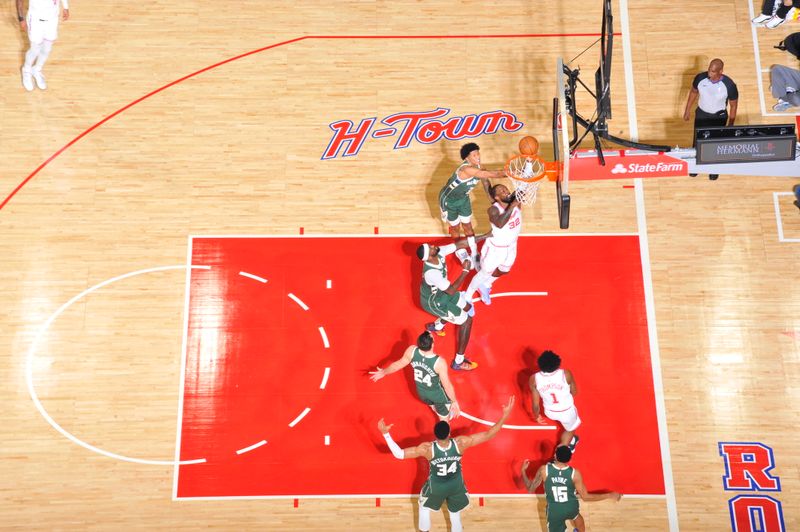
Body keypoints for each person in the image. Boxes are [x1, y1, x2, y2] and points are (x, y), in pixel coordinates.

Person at [378, 396, 515, 532]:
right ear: (449, 433)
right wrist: (504, 416)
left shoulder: (427, 449)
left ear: (435, 435)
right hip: (456, 485)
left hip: (437, 487)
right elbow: (489, 435)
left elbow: (399, 454)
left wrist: (386, 434)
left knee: (424, 508)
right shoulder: (461, 443)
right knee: (455, 515)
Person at [416, 234, 491, 371]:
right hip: (435, 302)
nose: (434, 246)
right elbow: (450, 291)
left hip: (443, 292)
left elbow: (459, 245)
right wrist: (465, 271)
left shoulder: (438, 252)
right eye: (431, 248)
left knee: (467, 307)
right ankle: (458, 361)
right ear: (428, 257)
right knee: (466, 321)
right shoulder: (431, 273)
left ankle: (437, 326)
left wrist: (486, 235)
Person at [521, 445, 622, 532]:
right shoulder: (574, 474)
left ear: (555, 456)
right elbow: (586, 497)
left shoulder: (544, 470)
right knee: (577, 518)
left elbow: (530, 488)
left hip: (554, 511)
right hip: (571, 507)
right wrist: (609, 495)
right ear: (569, 459)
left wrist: (523, 471)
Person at [438, 143, 507, 269]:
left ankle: (475, 253)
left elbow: (486, 183)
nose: (478, 157)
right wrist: (511, 172)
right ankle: (460, 251)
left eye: (478, 153)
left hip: (463, 199)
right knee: (455, 227)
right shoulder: (466, 170)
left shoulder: (479, 167)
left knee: (468, 225)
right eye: (474, 155)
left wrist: (492, 201)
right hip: (449, 201)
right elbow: (492, 174)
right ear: (467, 159)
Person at [370, 330, 461, 421]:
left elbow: (397, 365)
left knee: (432, 403)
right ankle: (444, 421)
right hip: (436, 396)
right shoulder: (439, 362)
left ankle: (434, 407)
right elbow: (447, 386)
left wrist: (383, 372)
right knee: (444, 421)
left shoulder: (412, 351)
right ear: (432, 344)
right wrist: (454, 401)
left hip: (421, 393)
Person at [464, 184, 521, 306]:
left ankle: (485, 284)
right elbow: (500, 224)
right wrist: (512, 206)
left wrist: (528, 168)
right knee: (484, 273)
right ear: (496, 197)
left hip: (511, 246)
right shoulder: (494, 209)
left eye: (506, 189)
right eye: (501, 191)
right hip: (495, 249)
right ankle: (467, 295)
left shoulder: (515, 201)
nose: (506, 191)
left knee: (505, 270)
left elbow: (524, 186)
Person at [683, 59, 738, 180]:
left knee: (715, 144)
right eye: (709, 70)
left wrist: (731, 125)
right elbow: (693, 92)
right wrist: (687, 110)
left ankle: (713, 169)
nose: (710, 74)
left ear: (721, 71)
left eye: (713, 71)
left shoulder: (729, 85)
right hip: (701, 114)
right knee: (697, 142)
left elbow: (733, 105)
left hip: (718, 117)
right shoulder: (700, 78)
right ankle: (695, 167)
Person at [529, 351, 580, 451]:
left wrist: (537, 416)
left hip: (550, 412)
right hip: (567, 410)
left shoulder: (534, 379)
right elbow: (574, 392)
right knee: (570, 429)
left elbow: (535, 404)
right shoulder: (565, 374)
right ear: (558, 363)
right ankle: (564, 447)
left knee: (565, 423)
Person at [17, 0, 70, 91]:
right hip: (35, 20)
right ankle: (26, 70)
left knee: (47, 49)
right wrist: (21, 18)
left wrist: (66, 7)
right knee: (35, 49)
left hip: (52, 20)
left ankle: (37, 69)